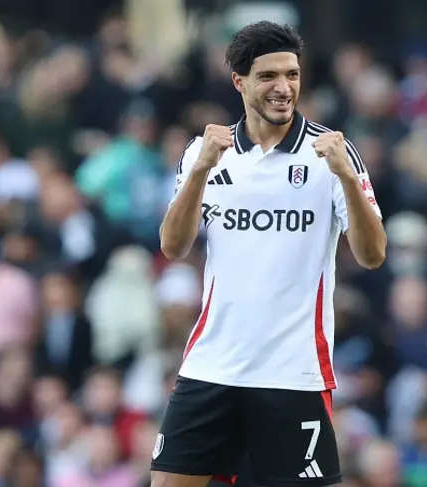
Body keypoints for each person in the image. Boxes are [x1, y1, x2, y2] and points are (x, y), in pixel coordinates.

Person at [153, 21, 386, 487]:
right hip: (211, 366)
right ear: (239, 81)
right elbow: (173, 247)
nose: (284, 88)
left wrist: (345, 178)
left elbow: (372, 253)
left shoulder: (332, 154)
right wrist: (199, 171)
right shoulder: (205, 152)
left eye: (292, 75)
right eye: (268, 76)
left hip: (292, 372)